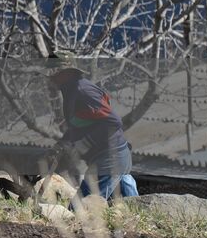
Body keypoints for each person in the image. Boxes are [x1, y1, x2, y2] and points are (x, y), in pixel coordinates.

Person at [46, 67, 139, 201]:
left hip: (110, 159)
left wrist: (86, 142)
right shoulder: (71, 91)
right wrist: (62, 144)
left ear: (67, 73)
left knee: (80, 209)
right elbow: (81, 125)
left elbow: (114, 122)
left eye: (54, 73)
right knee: (131, 205)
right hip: (115, 157)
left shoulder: (83, 91)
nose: (50, 78)